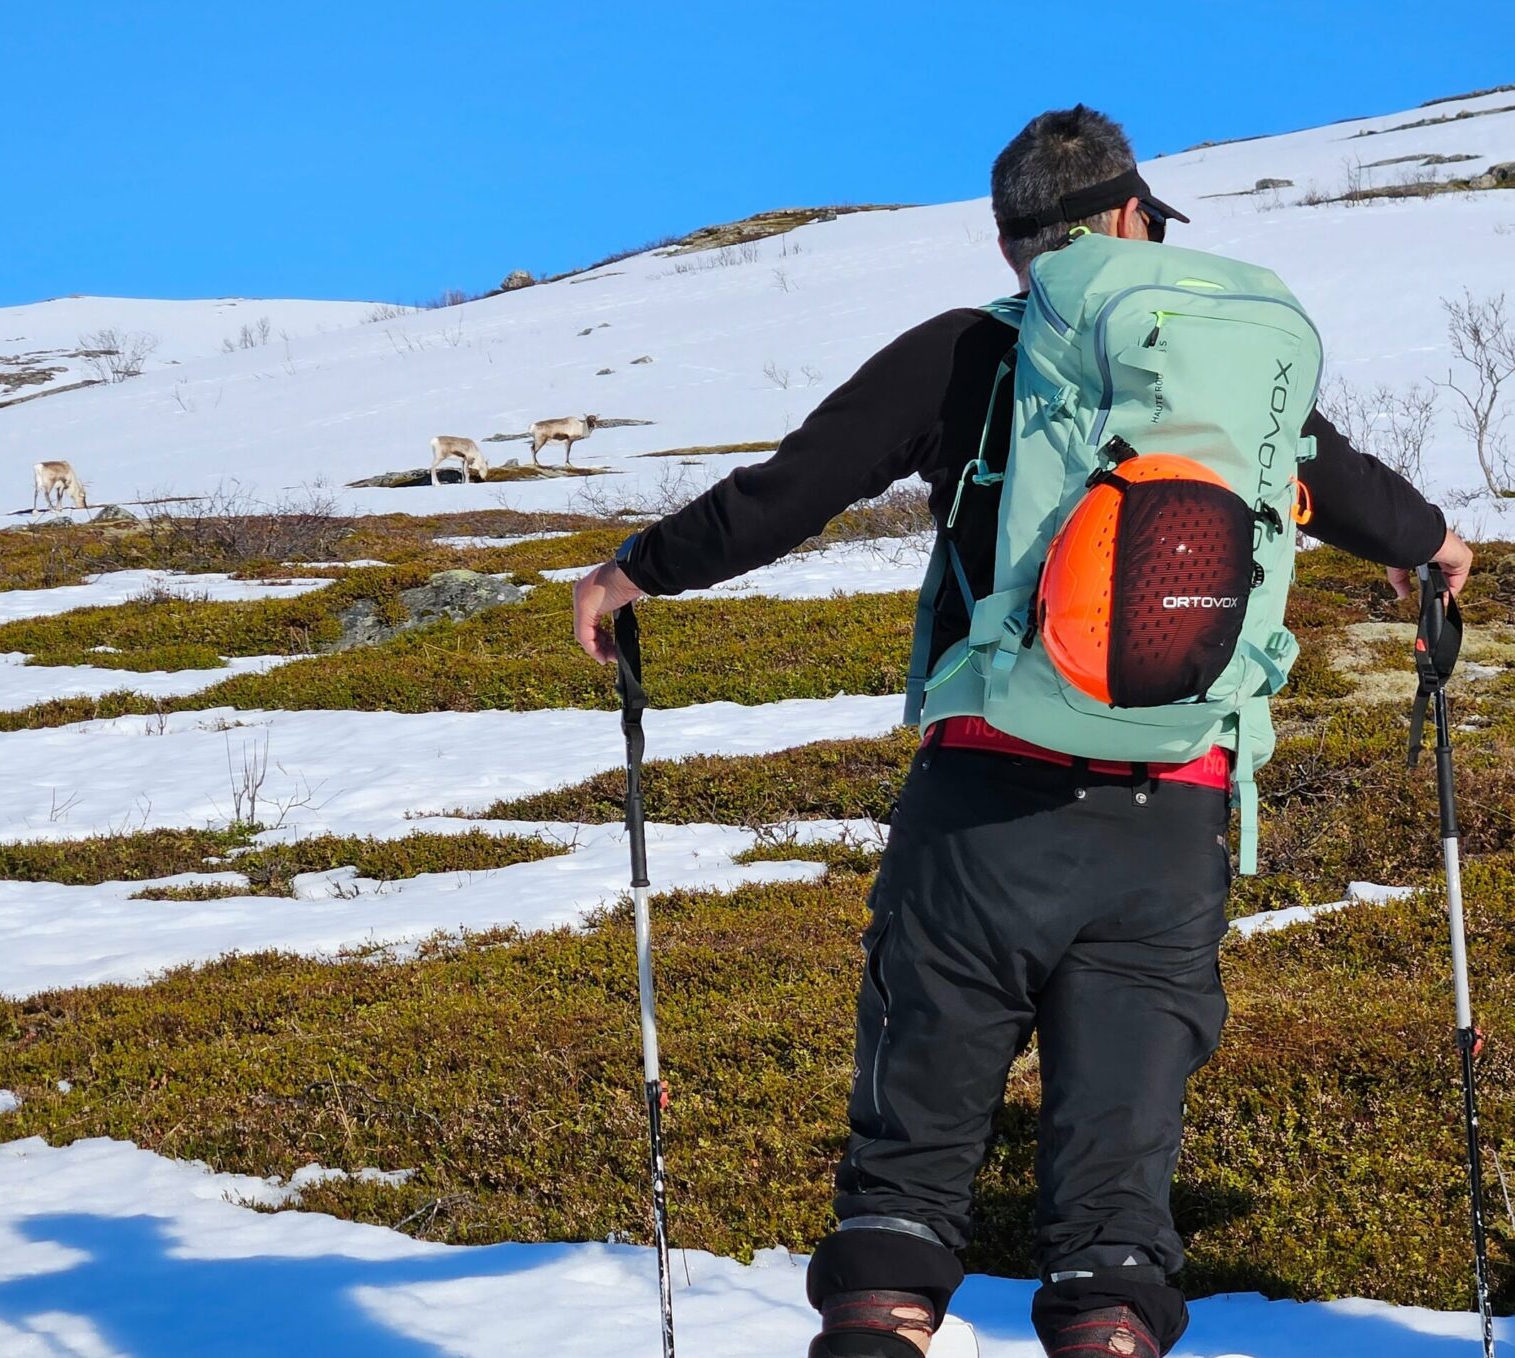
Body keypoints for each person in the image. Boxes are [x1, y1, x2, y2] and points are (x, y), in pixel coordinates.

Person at [571, 105, 1474, 1357]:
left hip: (981, 817)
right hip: (1174, 815)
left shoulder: (971, 355)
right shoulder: (1209, 389)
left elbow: (790, 488)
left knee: (903, 1197)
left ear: (1017, 249)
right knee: (1114, 1226)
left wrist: (635, 572)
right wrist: (1434, 548)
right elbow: (1352, 485)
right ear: (1126, 219)